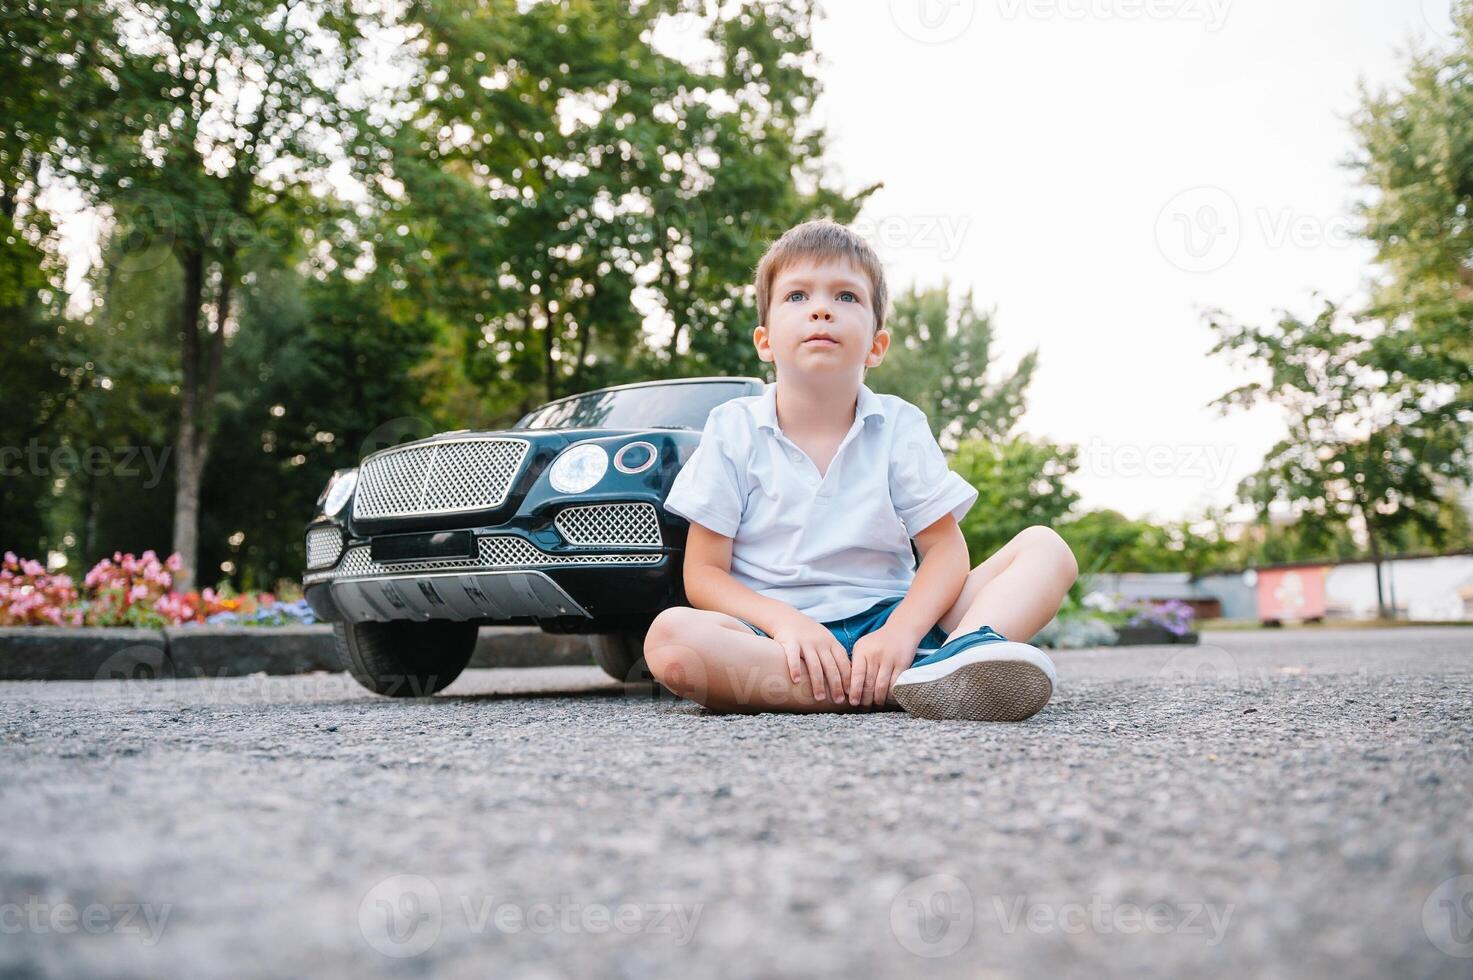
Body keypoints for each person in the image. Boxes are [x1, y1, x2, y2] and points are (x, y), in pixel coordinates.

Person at [647, 218, 1078, 721]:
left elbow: (944, 551)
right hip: (776, 638)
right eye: (797, 296)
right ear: (765, 341)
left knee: (1046, 548)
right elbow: (703, 573)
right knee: (673, 640)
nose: (822, 308)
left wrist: (901, 632)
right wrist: (787, 624)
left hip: (899, 622)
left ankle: (958, 654)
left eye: (847, 297)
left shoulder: (898, 424)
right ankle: (907, 685)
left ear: (876, 345)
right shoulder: (732, 427)